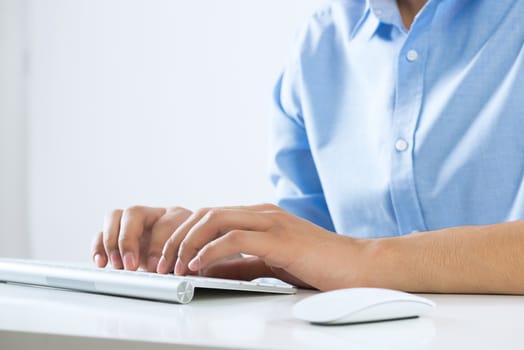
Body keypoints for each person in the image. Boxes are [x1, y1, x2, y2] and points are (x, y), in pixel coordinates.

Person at [91, 0, 524, 293]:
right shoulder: (320, 45)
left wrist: (365, 258)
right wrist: (212, 245)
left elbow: (346, 259)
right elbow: (312, 252)